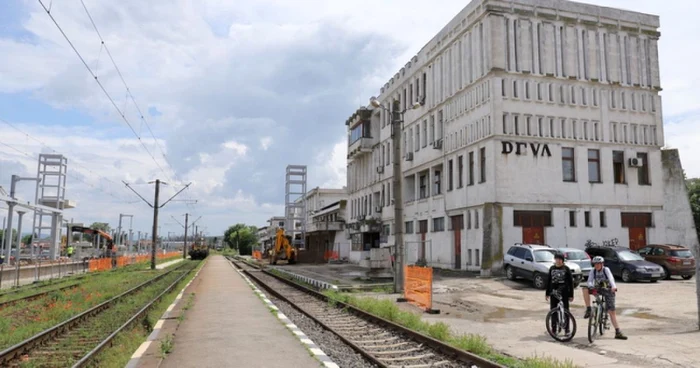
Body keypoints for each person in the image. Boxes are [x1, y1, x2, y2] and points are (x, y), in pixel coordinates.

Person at [582, 256, 627, 340]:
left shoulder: (606, 270)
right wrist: (591, 286)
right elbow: (590, 280)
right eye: (595, 264)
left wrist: (614, 287)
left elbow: (611, 278)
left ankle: (618, 332)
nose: (597, 265)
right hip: (598, 288)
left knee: (611, 311)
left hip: (608, 290)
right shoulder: (593, 271)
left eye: (599, 264)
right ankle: (588, 309)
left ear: (602, 264)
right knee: (585, 289)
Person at [546, 252, 574, 334]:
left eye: (559, 259)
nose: (558, 261)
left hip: (564, 293)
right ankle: (554, 329)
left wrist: (571, 295)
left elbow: (571, 283)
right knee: (553, 311)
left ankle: (567, 329)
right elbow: (549, 281)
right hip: (553, 292)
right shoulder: (551, 268)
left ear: (562, 260)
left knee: (565, 311)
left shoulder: (566, 269)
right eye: (556, 259)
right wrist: (547, 293)